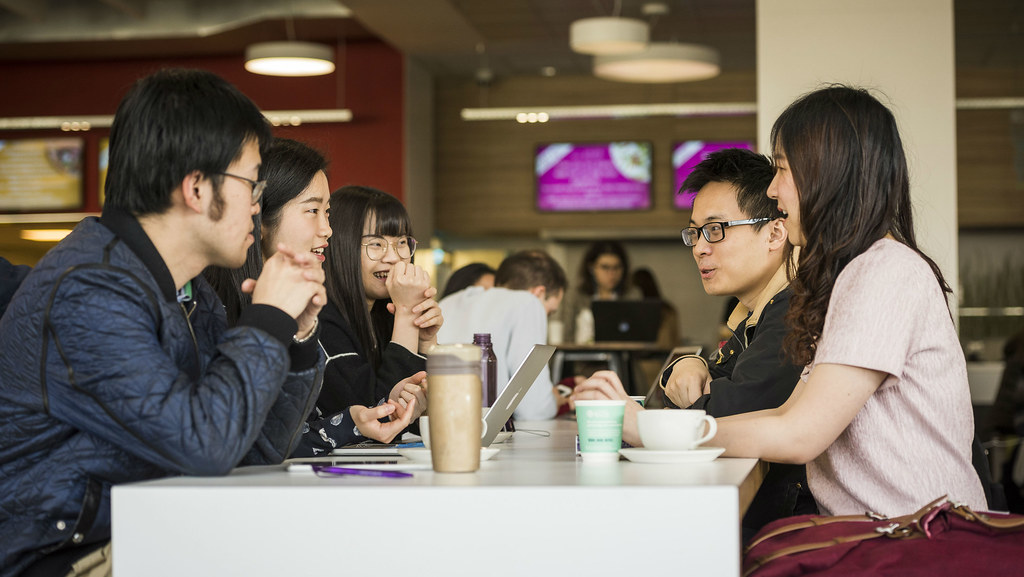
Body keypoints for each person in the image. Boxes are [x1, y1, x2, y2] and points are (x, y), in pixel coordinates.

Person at [592, 85, 987, 517]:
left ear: (827, 172)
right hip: (880, 533)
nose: (775, 192)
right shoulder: (853, 275)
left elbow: (798, 435)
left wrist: (646, 428)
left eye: (782, 169)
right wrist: (654, 425)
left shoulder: (884, 271)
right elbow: (784, 414)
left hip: (916, 541)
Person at [0, 68, 327, 576]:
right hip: (59, 558)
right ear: (197, 188)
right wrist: (264, 321)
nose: (258, 207)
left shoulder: (189, 293)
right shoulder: (90, 290)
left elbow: (256, 450)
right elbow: (207, 444)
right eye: (251, 184)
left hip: (147, 532)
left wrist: (296, 335)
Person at [574, 148, 815, 536]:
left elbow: (723, 410)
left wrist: (644, 422)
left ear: (774, 232)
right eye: (695, 232)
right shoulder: (754, 315)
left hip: (785, 528)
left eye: (716, 230)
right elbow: (693, 390)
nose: (700, 247)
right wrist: (691, 363)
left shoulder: (793, 312)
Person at [205, 140, 423, 457]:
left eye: (327, 213)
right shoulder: (215, 306)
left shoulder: (304, 307)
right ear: (260, 217)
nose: (327, 230)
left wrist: (351, 423)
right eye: (312, 211)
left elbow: (282, 438)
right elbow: (228, 442)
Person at [315, 185, 440, 425]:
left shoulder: (384, 314)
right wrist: (406, 314)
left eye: (401, 242)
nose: (394, 257)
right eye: (376, 244)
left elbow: (420, 417)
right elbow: (377, 415)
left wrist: (425, 343)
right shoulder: (320, 316)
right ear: (342, 246)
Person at [437, 250, 567, 420]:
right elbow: (533, 409)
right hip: (488, 434)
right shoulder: (528, 303)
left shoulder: (449, 302)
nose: (545, 318)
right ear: (539, 293)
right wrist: (555, 402)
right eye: (549, 312)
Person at [564, 240, 636, 344]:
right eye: (605, 267)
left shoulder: (632, 296)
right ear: (591, 268)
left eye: (616, 267)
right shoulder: (576, 296)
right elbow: (566, 336)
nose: (611, 274)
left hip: (622, 357)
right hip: (581, 357)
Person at [629, 267, 680, 350]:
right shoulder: (667, 309)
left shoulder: (665, 311)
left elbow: (669, 342)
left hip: (653, 358)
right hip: (663, 357)